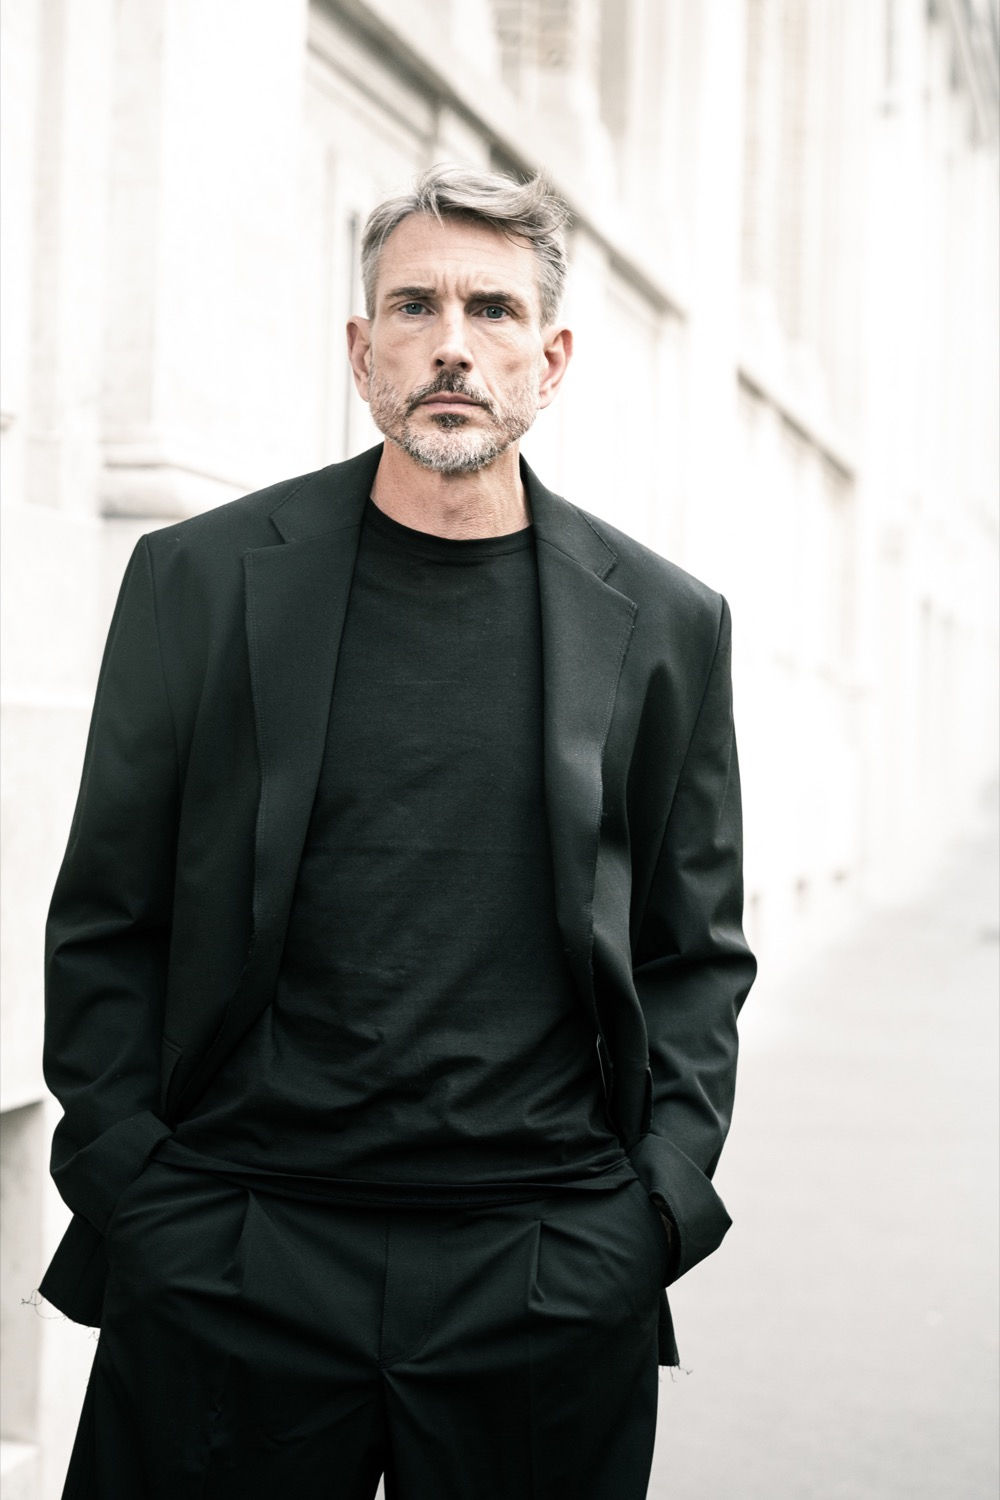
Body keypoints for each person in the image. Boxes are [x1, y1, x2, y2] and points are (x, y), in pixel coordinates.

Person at [41, 165, 756, 1500]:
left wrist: (652, 1213)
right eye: (414, 306)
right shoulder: (201, 581)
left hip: (539, 1265)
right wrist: (134, 1188)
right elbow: (108, 914)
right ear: (361, 351)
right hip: (234, 1245)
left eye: (493, 310)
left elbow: (693, 951)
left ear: (551, 360)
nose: (451, 345)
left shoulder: (666, 624)